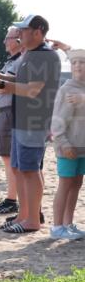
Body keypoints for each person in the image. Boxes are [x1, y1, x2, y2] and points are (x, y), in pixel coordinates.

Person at [0, 14, 62, 234]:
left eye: (24, 30)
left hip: (34, 121)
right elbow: (23, 82)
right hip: (22, 120)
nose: (19, 34)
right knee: (19, 169)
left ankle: (32, 220)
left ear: (38, 32)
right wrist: (1, 77)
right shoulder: (32, 54)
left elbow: (33, 89)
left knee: (30, 170)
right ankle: (24, 215)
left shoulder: (44, 55)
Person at [49, 48, 85, 241]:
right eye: (74, 63)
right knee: (65, 184)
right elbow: (57, 121)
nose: (78, 66)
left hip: (82, 148)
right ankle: (57, 227)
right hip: (68, 147)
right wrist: (63, 143)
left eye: (82, 62)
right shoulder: (67, 89)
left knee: (77, 184)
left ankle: (68, 224)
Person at [0, 27, 23, 216]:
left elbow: (9, 86)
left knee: (10, 158)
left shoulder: (20, 61)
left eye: (7, 38)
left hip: (10, 112)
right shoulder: (11, 61)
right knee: (7, 158)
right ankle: (11, 199)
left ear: (17, 39)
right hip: (4, 112)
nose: (4, 42)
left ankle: (12, 200)